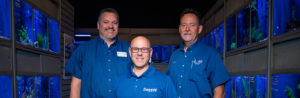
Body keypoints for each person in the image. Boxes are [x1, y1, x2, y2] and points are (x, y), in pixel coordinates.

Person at [65, 8, 132, 97]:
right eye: (106, 22)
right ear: (98, 25)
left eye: (114, 23)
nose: (110, 26)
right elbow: (76, 85)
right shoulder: (83, 50)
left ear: (118, 26)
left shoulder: (130, 49)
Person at [166, 8, 230, 98]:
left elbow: (220, 92)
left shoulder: (211, 54)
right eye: (184, 25)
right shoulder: (174, 56)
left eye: (192, 25)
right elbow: (168, 86)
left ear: (199, 29)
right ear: (180, 29)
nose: (187, 29)